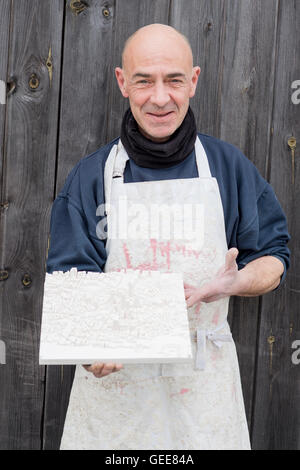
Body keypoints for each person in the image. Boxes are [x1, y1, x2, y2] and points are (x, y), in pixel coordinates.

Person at [46, 24, 290, 450]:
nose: (160, 98)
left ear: (193, 81)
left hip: (204, 395)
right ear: (123, 83)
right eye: (144, 81)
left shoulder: (227, 167)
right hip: (115, 407)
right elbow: (72, 286)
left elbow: (273, 256)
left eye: (174, 80)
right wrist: (89, 349)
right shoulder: (90, 178)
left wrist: (237, 282)